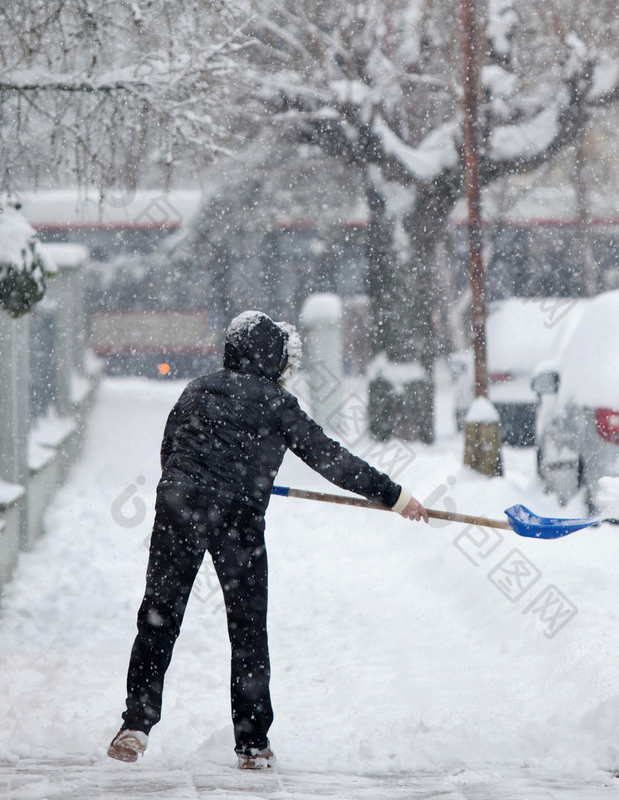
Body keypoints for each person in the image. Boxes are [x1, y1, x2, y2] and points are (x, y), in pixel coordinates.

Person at [107, 310, 428, 769]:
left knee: (159, 617)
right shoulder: (277, 404)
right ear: (272, 358)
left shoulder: (197, 389)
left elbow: (171, 449)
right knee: (247, 631)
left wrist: (203, 480)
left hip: (179, 506)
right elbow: (331, 459)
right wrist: (395, 496)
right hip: (237, 520)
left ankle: (135, 724)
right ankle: (253, 744)